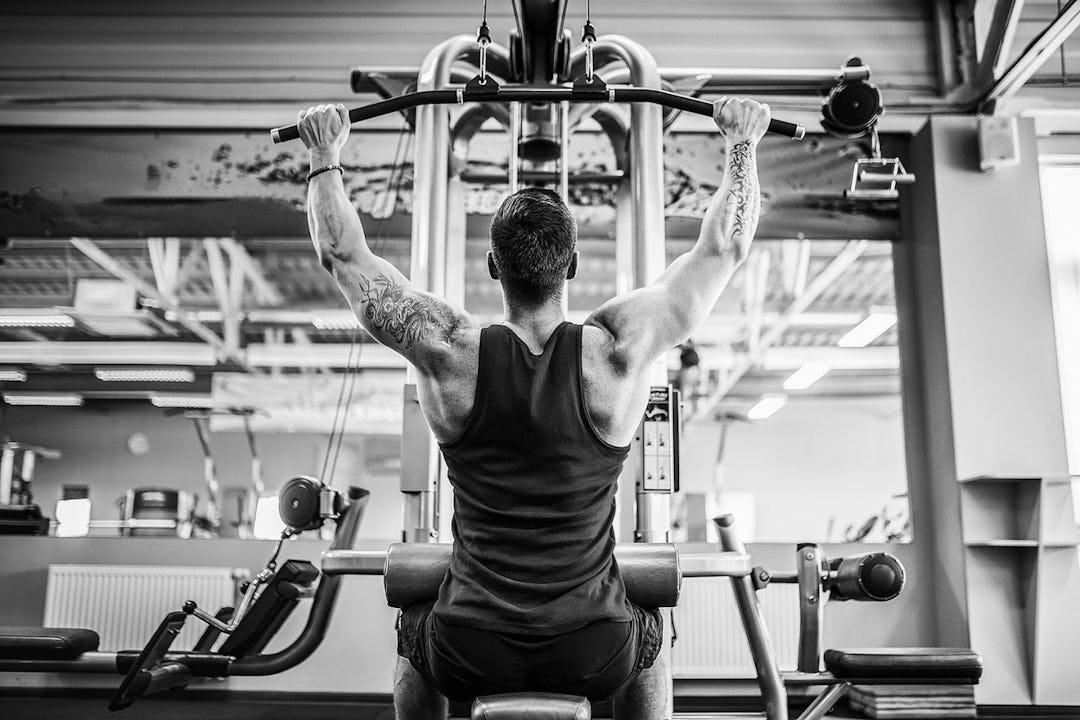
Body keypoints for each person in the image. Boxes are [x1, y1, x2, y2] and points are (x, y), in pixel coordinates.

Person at [297, 95, 770, 720]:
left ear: (493, 266)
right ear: (571, 264)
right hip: (593, 649)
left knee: (413, 612)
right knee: (652, 616)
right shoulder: (621, 351)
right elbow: (722, 251)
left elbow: (343, 256)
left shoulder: (448, 350)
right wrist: (742, 145)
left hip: (469, 647)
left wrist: (325, 159)